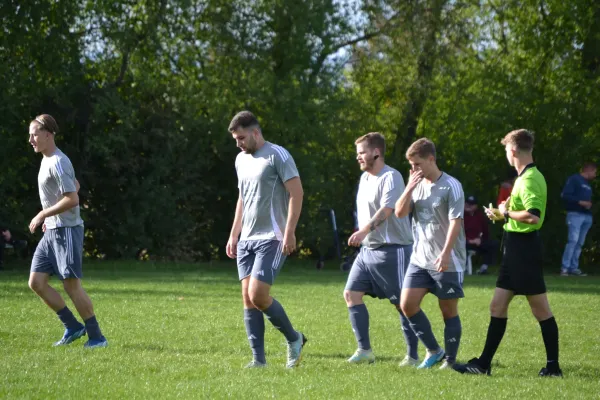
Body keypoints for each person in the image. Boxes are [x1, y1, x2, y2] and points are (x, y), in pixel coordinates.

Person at [453, 129, 562, 377]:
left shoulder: (531, 178)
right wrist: (502, 214)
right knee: (497, 306)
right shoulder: (522, 178)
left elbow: (533, 216)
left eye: (505, 150)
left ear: (512, 150)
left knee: (540, 309)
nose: (505, 154)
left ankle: (553, 368)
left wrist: (507, 214)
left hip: (524, 250)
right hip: (515, 248)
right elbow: (521, 213)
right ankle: (483, 364)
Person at [225, 111, 306, 368]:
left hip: (272, 237)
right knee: (248, 299)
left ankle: (294, 339)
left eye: (240, 137)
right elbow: (242, 198)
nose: (238, 143)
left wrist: (290, 231)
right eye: (235, 139)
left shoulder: (277, 155)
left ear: (255, 133)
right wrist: (234, 234)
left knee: (258, 295)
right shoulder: (240, 160)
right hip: (247, 239)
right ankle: (258, 360)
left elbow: (297, 193)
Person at [28, 114, 107, 348]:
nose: (30, 139)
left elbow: (73, 198)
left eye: (34, 134)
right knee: (36, 283)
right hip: (52, 230)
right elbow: (74, 186)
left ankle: (97, 337)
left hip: (67, 231)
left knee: (72, 286)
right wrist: (49, 216)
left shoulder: (58, 161)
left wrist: (43, 213)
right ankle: (73, 327)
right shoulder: (46, 159)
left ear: (48, 134)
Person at [343, 132, 418, 366]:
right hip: (368, 251)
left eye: (362, 153)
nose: (358, 158)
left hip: (393, 250)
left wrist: (364, 230)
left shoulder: (391, 177)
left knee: (402, 304)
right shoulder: (365, 179)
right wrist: (365, 235)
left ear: (376, 152)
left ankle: (414, 356)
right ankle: (365, 350)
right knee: (351, 294)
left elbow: (387, 210)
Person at [394, 138, 466, 370]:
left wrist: (445, 254)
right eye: (411, 166)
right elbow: (399, 212)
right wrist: (408, 187)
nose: (414, 170)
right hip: (420, 259)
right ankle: (434, 351)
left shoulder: (451, 185)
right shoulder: (415, 185)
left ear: (431, 159)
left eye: (417, 164)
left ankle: (451, 361)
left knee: (448, 311)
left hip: (447, 260)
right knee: (407, 304)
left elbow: (456, 222)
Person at [560, 162, 596, 276]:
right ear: (588, 170)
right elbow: (565, 195)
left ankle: (574, 267)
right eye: (594, 172)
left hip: (586, 215)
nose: (595, 175)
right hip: (575, 214)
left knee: (579, 243)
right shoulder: (574, 179)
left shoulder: (587, 184)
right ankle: (565, 268)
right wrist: (580, 202)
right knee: (573, 241)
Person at [464, 195, 497, 275]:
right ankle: (464, 269)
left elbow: (485, 232)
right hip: (464, 242)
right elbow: (457, 232)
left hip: (477, 242)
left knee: (493, 244)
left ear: (476, 206)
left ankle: (483, 268)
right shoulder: (460, 215)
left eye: (471, 204)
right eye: (467, 203)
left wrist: (480, 239)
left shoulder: (480, 216)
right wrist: (469, 240)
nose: (469, 206)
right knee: (460, 244)